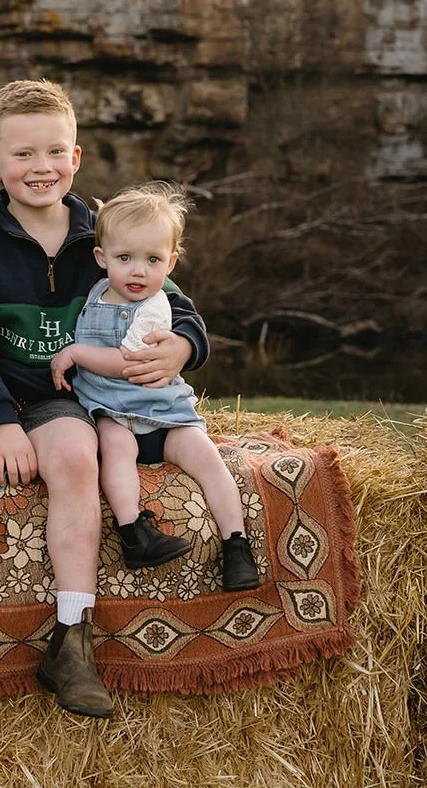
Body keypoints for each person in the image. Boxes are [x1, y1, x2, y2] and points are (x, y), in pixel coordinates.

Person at [0, 79, 211, 721]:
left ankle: (72, 639)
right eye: (23, 154)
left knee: (78, 461)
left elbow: (174, 301)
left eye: (54, 152)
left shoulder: (101, 234)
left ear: (76, 158)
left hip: (61, 400)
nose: (40, 168)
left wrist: (185, 347)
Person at [49, 182, 259, 591]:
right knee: (114, 448)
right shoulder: (94, 294)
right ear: (101, 258)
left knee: (207, 459)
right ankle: (133, 530)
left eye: (152, 259)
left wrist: (75, 353)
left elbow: (128, 365)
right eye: (124, 258)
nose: (138, 271)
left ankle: (237, 542)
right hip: (113, 414)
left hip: (164, 415)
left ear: (171, 263)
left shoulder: (156, 306)